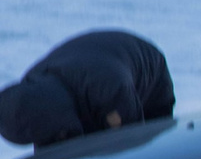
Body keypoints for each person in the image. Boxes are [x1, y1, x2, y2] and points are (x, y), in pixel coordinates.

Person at [0, 30, 176, 148]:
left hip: (147, 74)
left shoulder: (111, 92)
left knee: (151, 146)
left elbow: (133, 151)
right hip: (91, 65)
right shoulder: (32, 87)